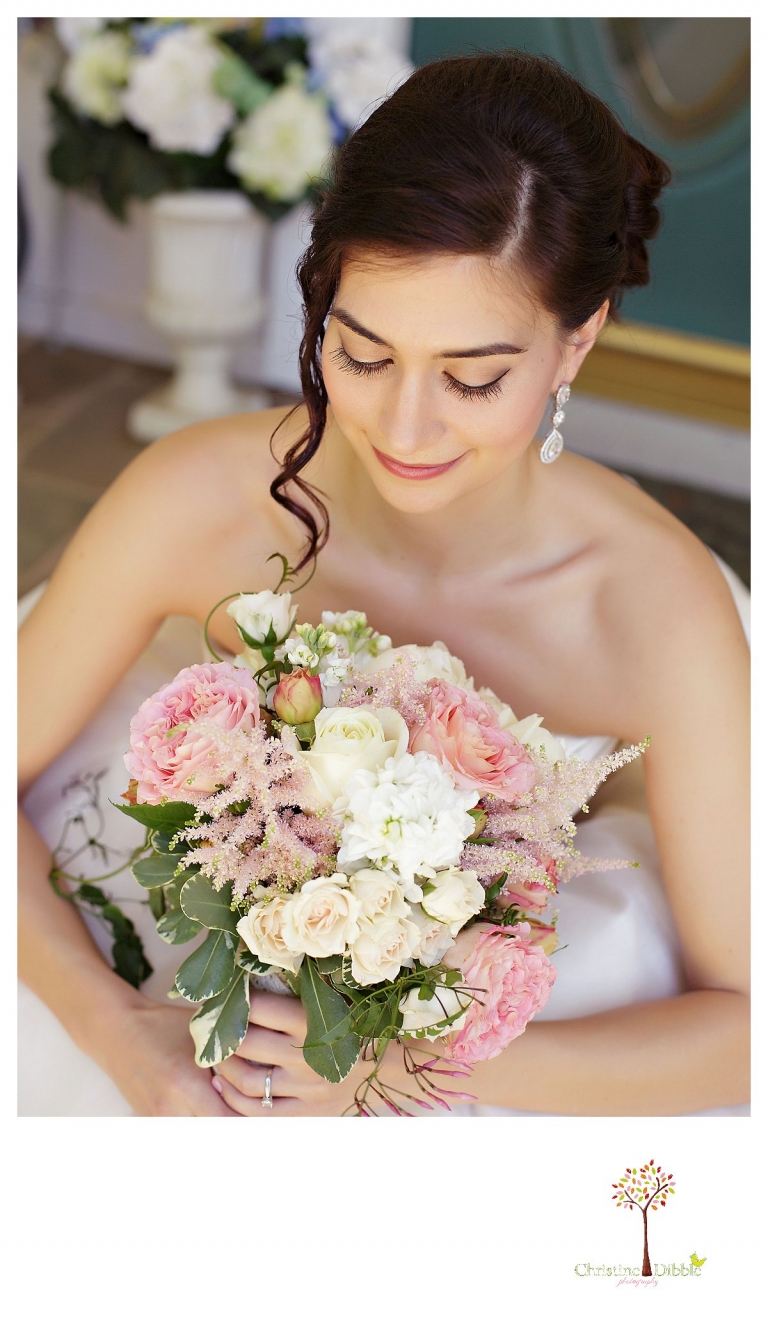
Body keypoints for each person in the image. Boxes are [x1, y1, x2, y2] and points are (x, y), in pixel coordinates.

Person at [18, 50, 749, 1117]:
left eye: (473, 378)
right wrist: (119, 1033)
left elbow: (743, 1023)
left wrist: (400, 1067)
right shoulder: (198, 498)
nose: (404, 430)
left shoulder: (653, 618)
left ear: (577, 341)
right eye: (362, 356)